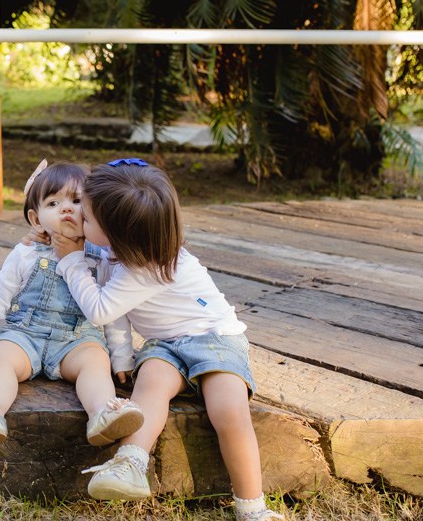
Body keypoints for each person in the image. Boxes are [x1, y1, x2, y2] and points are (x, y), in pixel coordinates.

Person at [51, 159, 283, 521]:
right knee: (151, 384)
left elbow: (100, 309)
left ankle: (252, 507)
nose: (79, 216)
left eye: (88, 216)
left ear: (119, 235)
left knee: (229, 411)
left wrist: (70, 261)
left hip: (215, 339)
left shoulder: (146, 267)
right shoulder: (128, 248)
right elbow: (111, 293)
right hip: (165, 345)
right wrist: (123, 358)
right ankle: (130, 463)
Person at [0, 160, 144, 447]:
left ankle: (103, 412)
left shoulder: (100, 258)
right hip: (24, 335)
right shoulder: (25, 253)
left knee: (96, 362)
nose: (66, 209)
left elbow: (111, 310)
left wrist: (121, 357)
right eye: (53, 203)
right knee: (0, 357)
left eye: (77, 201)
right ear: (36, 219)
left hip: (77, 341)